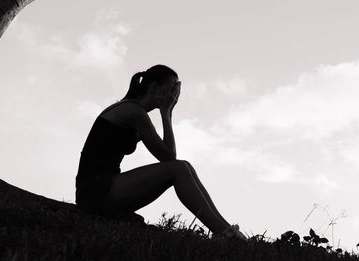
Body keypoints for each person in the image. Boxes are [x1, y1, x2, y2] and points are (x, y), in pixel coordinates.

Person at [75, 64, 247, 240]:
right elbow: (168, 157)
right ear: (154, 87)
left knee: (184, 166)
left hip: (101, 187)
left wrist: (167, 111)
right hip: (94, 189)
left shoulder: (136, 113)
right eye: (171, 88)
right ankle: (226, 234)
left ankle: (227, 231)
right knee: (178, 169)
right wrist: (167, 113)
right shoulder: (134, 112)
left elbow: (168, 155)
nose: (173, 95)